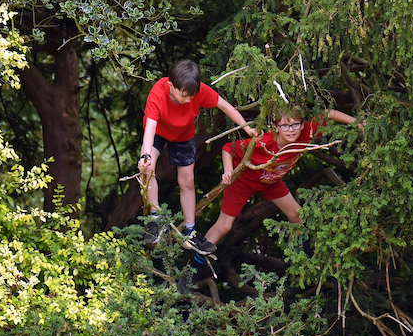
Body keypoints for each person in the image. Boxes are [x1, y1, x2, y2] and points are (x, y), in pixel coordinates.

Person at [180, 106, 358, 288]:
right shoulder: (264, 142)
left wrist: (359, 124)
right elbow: (228, 148)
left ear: (302, 124)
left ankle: (306, 256)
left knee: (296, 214)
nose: (291, 130)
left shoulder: (306, 132)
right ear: (276, 127)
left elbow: (329, 113)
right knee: (224, 226)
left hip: (271, 181)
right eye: (285, 126)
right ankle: (191, 272)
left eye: (295, 125)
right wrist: (228, 171)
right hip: (243, 181)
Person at [139, 59, 257, 249]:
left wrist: (247, 128)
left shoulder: (199, 91)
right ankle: (155, 219)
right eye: (183, 96)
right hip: (158, 132)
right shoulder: (158, 93)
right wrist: (145, 157)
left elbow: (225, 106)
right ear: (171, 85)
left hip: (183, 134)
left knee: (187, 180)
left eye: (192, 96)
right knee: (147, 168)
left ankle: (190, 231)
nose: (188, 101)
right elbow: (150, 129)